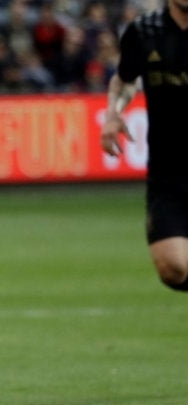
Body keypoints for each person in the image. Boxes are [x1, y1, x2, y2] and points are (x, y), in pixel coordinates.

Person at [101, 0, 188, 292]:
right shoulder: (143, 31)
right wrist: (114, 112)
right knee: (172, 268)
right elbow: (125, 80)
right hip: (168, 172)